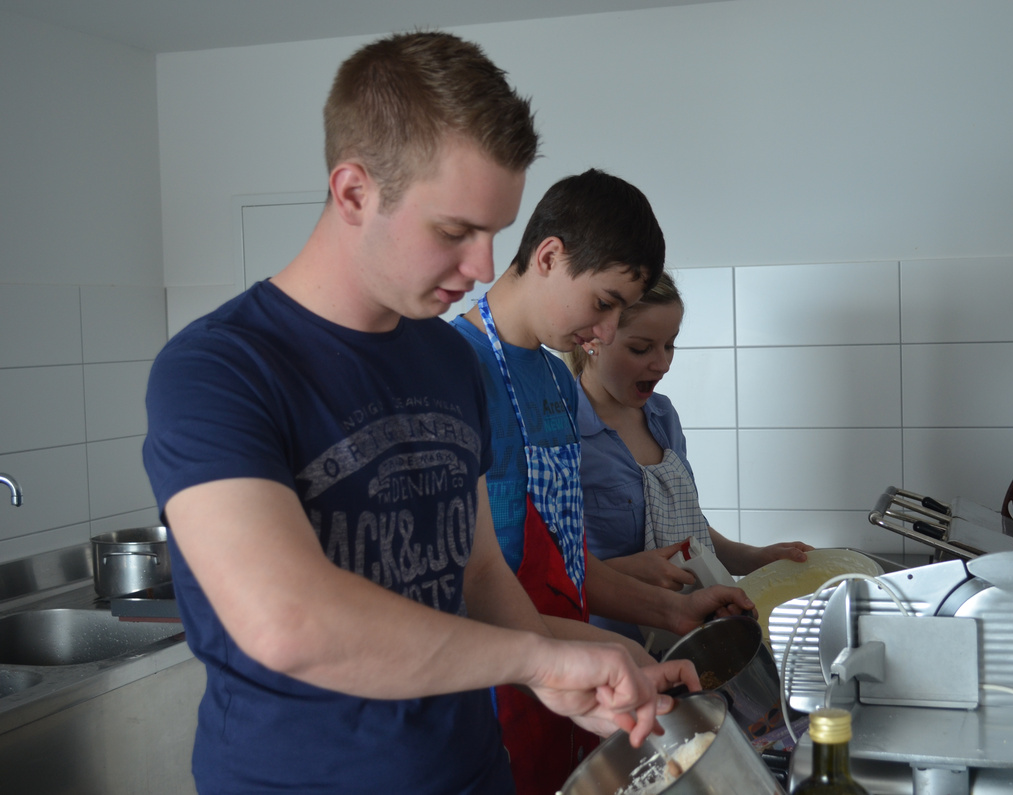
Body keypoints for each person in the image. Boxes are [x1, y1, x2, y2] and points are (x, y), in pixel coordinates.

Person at [142, 33, 698, 795]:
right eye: (455, 231)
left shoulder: (446, 359)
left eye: (493, 232)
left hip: (472, 770)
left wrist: (577, 668)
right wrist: (539, 659)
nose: (482, 266)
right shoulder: (219, 370)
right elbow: (287, 621)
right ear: (353, 193)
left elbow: (479, 572)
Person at [451, 170, 755, 795]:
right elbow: (478, 580)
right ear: (549, 257)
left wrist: (673, 611)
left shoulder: (556, 383)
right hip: (493, 694)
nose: (607, 332)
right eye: (604, 303)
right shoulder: (454, 371)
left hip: (573, 684)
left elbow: (566, 565)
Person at [568, 271, 813, 641]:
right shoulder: (562, 432)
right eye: (641, 348)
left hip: (687, 637)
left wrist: (754, 558)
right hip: (608, 645)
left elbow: (688, 531)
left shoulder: (662, 415)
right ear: (591, 340)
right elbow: (539, 568)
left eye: (670, 345)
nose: (663, 364)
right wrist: (626, 571)